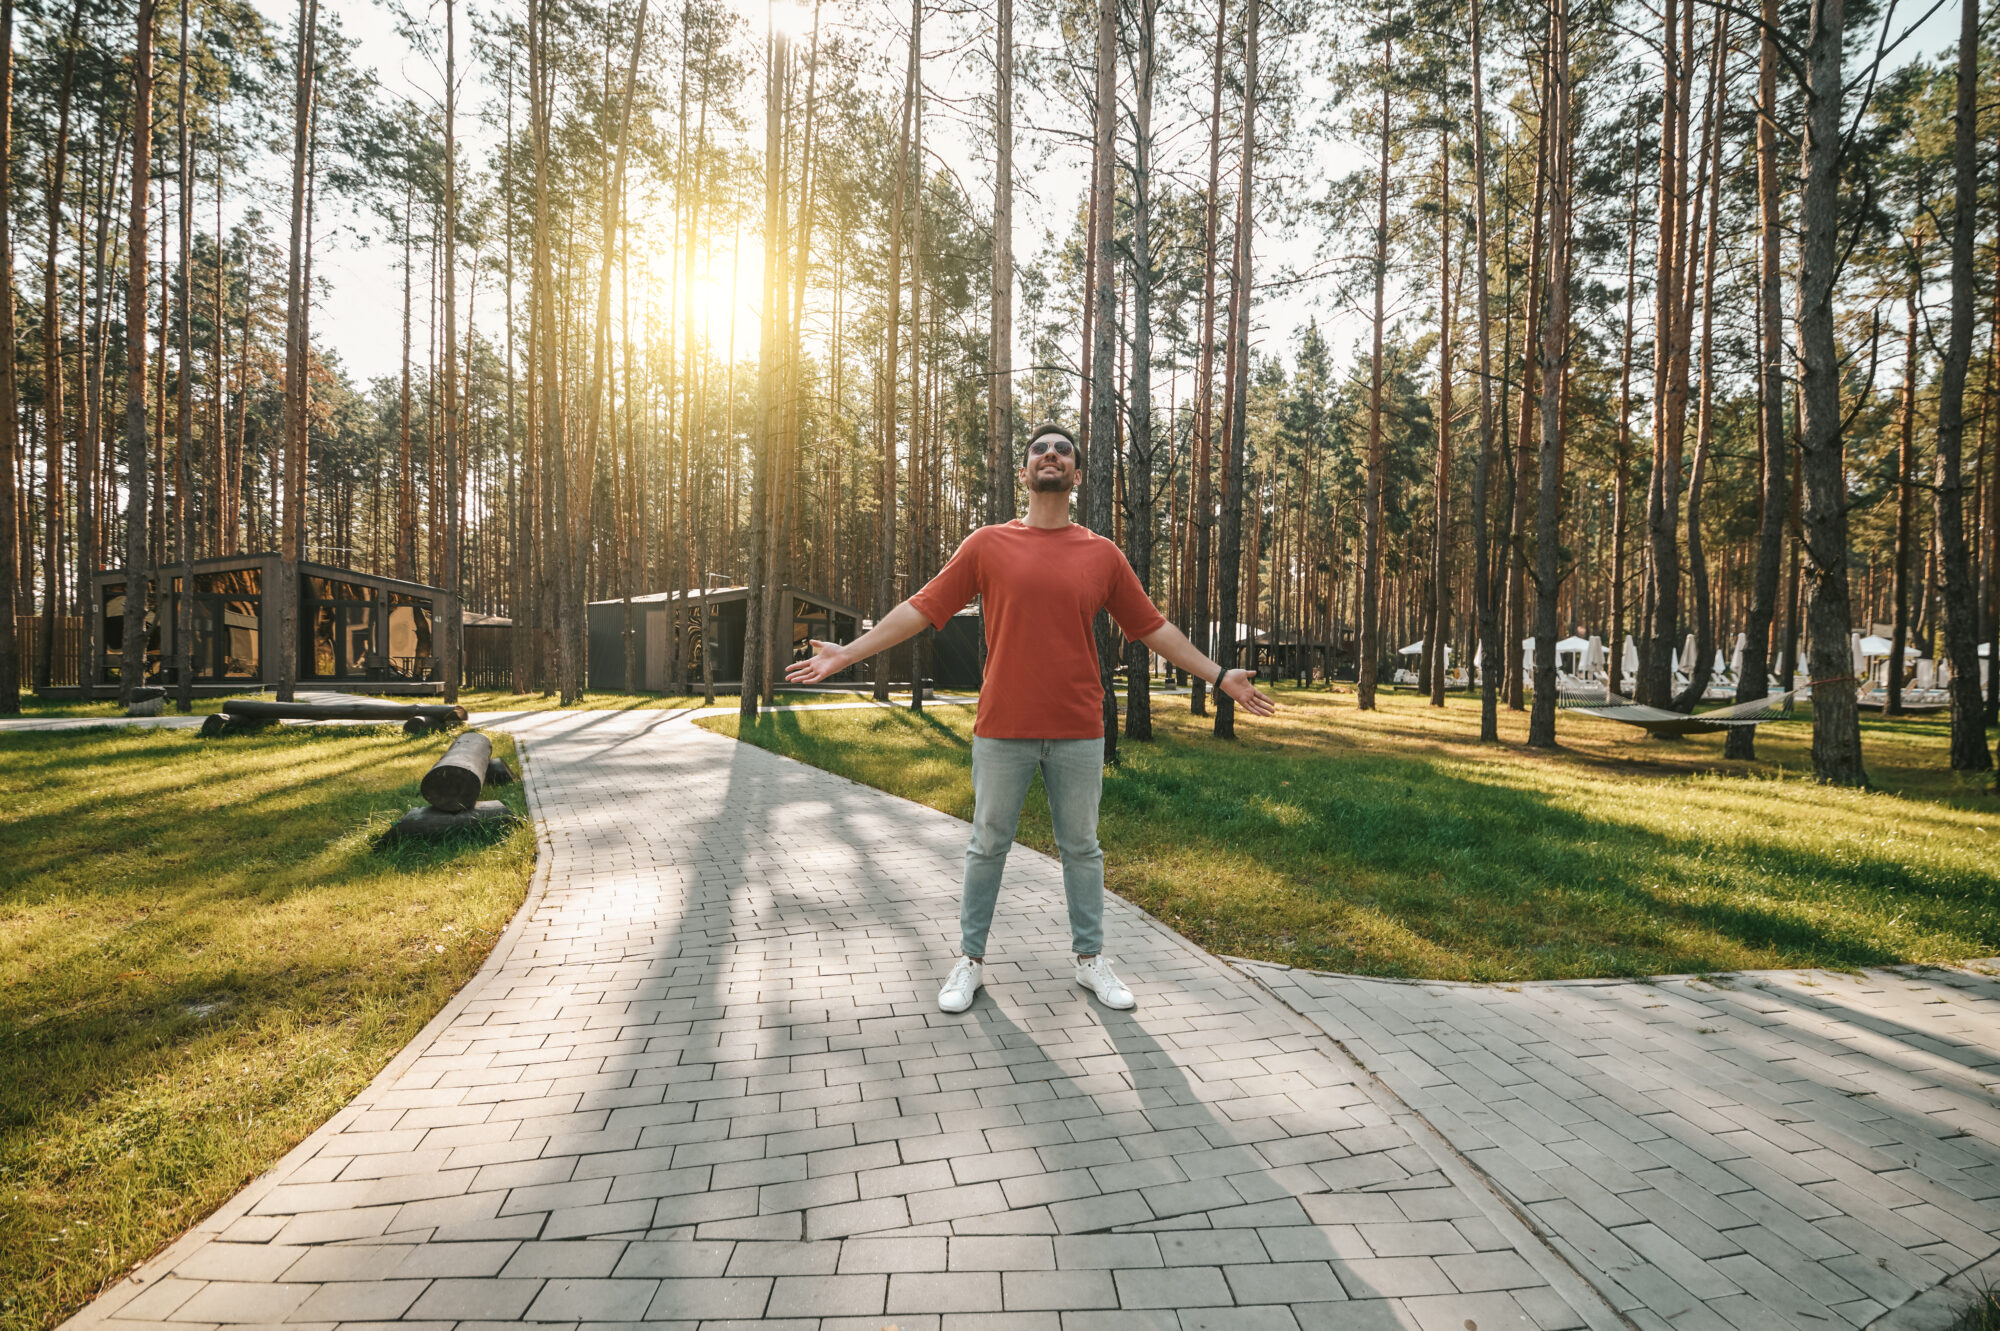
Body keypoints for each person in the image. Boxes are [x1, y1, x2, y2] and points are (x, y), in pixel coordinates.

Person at [785, 420, 1275, 1013]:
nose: (1051, 456)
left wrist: (1219, 675)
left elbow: (1152, 628)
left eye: (1062, 451)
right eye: (1040, 450)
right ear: (1025, 472)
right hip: (1001, 728)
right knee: (987, 846)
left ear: (1074, 473)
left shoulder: (1102, 555)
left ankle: (1091, 961)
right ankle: (969, 962)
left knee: (1083, 848)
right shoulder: (987, 544)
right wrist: (849, 652)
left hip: (1077, 730)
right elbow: (923, 606)